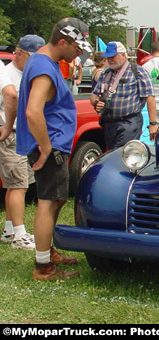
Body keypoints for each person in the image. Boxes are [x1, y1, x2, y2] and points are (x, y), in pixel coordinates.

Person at [16, 17, 93, 280]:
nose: (79, 52)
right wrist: (47, 147)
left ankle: (47, 252)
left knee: (57, 199)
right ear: (63, 42)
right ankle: (43, 266)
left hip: (56, 144)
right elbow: (32, 111)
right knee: (48, 204)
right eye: (77, 47)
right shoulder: (44, 68)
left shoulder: (42, 63)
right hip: (51, 146)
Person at [1, 35, 45, 250]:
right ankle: (20, 234)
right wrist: (7, 127)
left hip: (24, 135)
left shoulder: (29, 74)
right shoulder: (7, 74)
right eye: (31, 57)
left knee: (19, 185)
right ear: (18, 53)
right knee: (17, 185)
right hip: (11, 136)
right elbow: (11, 98)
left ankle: (9, 229)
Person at [90, 41, 157, 150]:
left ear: (123, 55)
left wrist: (153, 123)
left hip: (128, 123)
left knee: (121, 156)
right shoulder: (105, 74)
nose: (110, 60)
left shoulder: (137, 71)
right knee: (112, 155)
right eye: (108, 57)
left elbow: (150, 97)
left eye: (113, 56)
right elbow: (94, 95)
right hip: (109, 124)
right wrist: (96, 102)